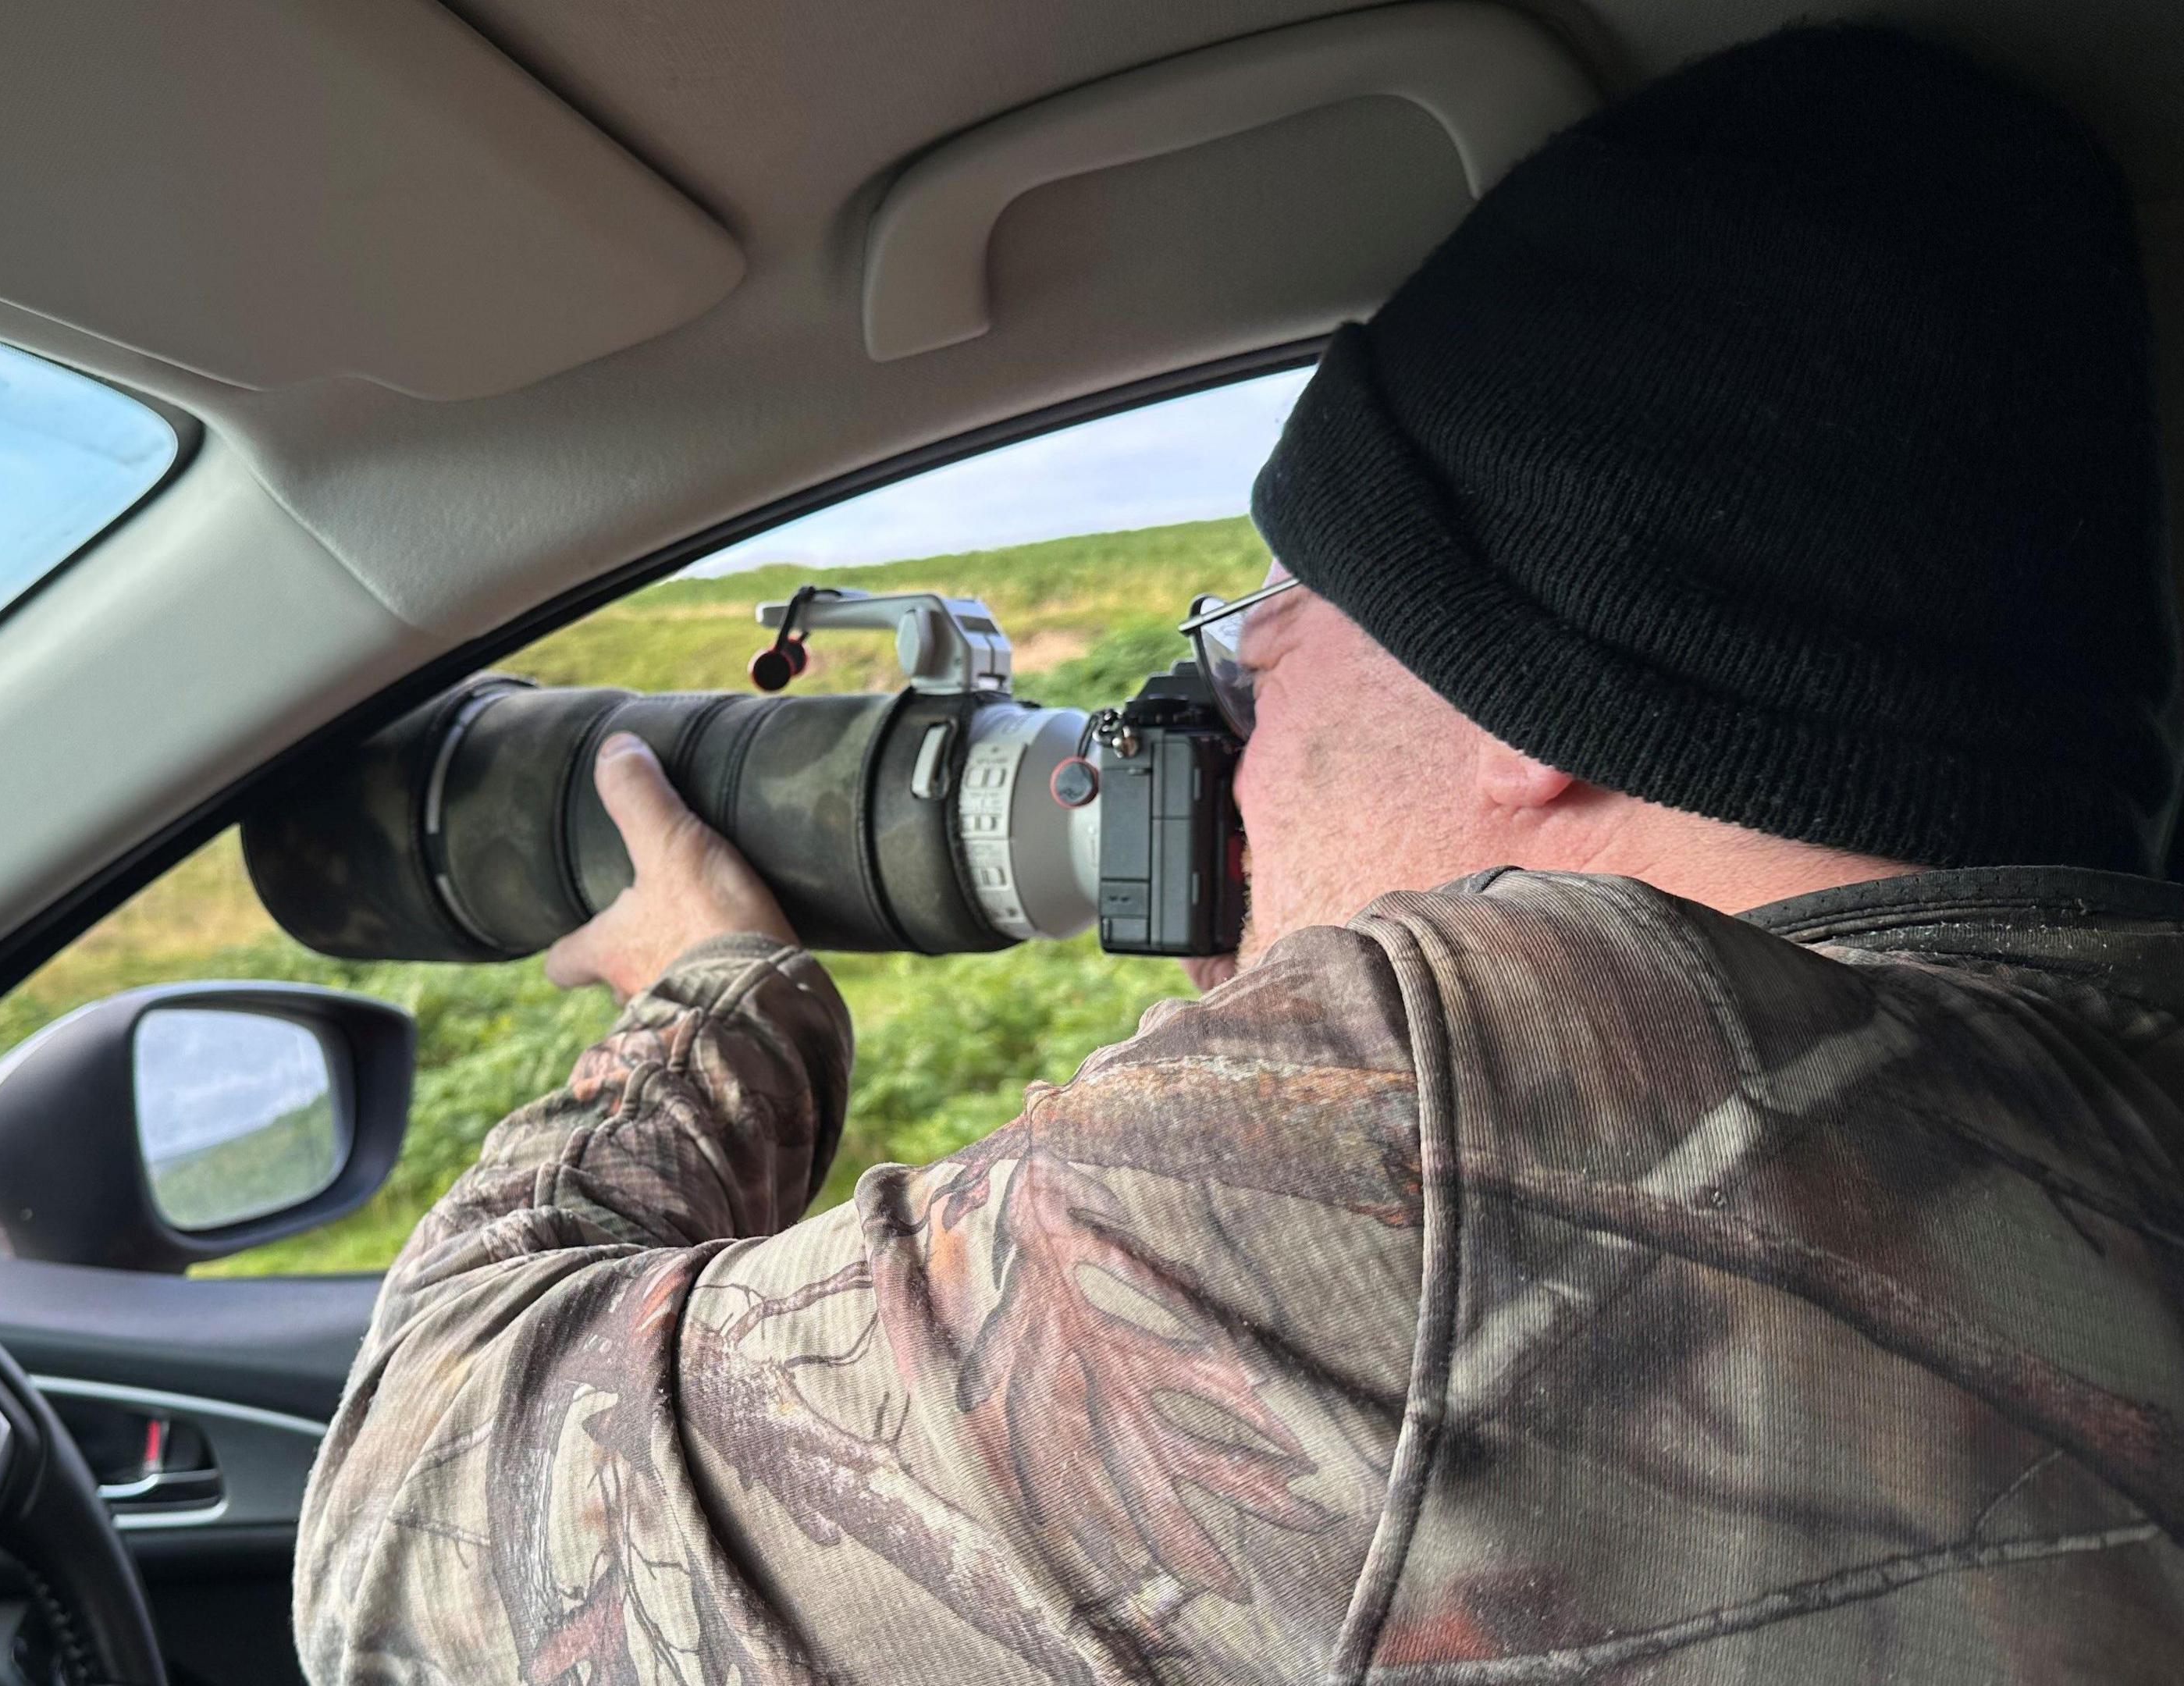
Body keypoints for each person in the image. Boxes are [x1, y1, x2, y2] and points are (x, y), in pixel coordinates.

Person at [294, 24, 2184, 1683]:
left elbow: (408, 1549)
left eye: (1270, 617)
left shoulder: (1458, 1119)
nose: (1229, 690)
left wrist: (702, 1015)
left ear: (1529, 684)